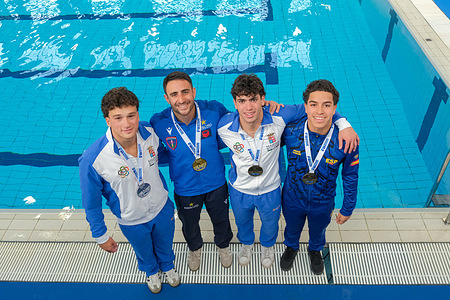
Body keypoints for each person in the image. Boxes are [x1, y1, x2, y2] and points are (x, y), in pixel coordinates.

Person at [217, 74, 359, 268]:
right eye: (242, 101)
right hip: (242, 190)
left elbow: (317, 110)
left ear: (262, 99)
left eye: (254, 100)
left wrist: (344, 124)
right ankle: (251, 245)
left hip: (276, 191)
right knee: (245, 224)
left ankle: (277, 247)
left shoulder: (282, 119)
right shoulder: (223, 127)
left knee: (274, 225)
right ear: (235, 102)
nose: (248, 107)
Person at [150, 71, 282, 271]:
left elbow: (242, 120)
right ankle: (194, 249)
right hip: (185, 188)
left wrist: (264, 104)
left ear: (193, 91)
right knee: (190, 225)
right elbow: (157, 154)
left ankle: (223, 246)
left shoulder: (213, 110)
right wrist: (181, 160)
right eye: (174, 94)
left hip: (217, 183)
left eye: (185, 92)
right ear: (166, 98)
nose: (181, 99)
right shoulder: (158, 123)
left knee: (221, 221)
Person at [79, 87, 179, 294]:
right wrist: (101, 235)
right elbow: (91, 202)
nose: (126, 124)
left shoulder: (151, 133)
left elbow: (169, 151)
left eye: (131, 115)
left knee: (165, 243)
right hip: (131, 219)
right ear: (107, 120)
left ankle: (168, 265)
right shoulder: (93, 159)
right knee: (143, 250)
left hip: (162, 207)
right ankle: (151, 271)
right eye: (118, 118)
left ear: (138, 114)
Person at [280, 79, 359, 275]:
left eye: (327, 105)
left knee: (318, 230)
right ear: (305, 107)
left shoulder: (346, 140)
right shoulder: (290, 131)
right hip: (292, 197)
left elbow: (350, 176)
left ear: (335, 108)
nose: (320, 111)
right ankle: (291, 247)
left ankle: (315, 250)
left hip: (323, 202)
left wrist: (348, 207)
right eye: (313, 105)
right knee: (291, 227)